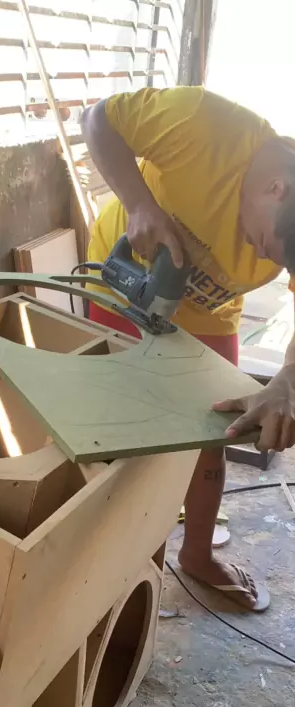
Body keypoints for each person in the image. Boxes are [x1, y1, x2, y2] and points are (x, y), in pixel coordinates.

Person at [81, 86, 295, 612]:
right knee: (112, 424)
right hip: (127, 281)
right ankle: (94, 558)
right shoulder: (202, 123)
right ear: (277, 188)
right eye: (269, 245)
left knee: (213, 429)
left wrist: (287, 379)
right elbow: (97, 120)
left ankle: (196, 555)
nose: (264, 260)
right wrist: (140, 204)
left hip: (210, 309)